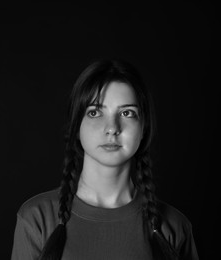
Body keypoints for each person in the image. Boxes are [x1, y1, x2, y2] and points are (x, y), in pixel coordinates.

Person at [10, 59, 199, 260]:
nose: (112, 128)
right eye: (94, 112)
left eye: (127, 113)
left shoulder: (175, 227)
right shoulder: (37, 218)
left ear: (144, 127)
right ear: (77, 126)